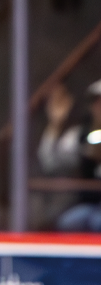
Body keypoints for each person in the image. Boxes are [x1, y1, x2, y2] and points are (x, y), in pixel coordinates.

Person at [39, 79, 101, 231]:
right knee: (69, 222)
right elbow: (50, 161)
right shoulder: (81, 135)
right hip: (89, 205)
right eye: (96, 102)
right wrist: (55, 124)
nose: (99, 107)